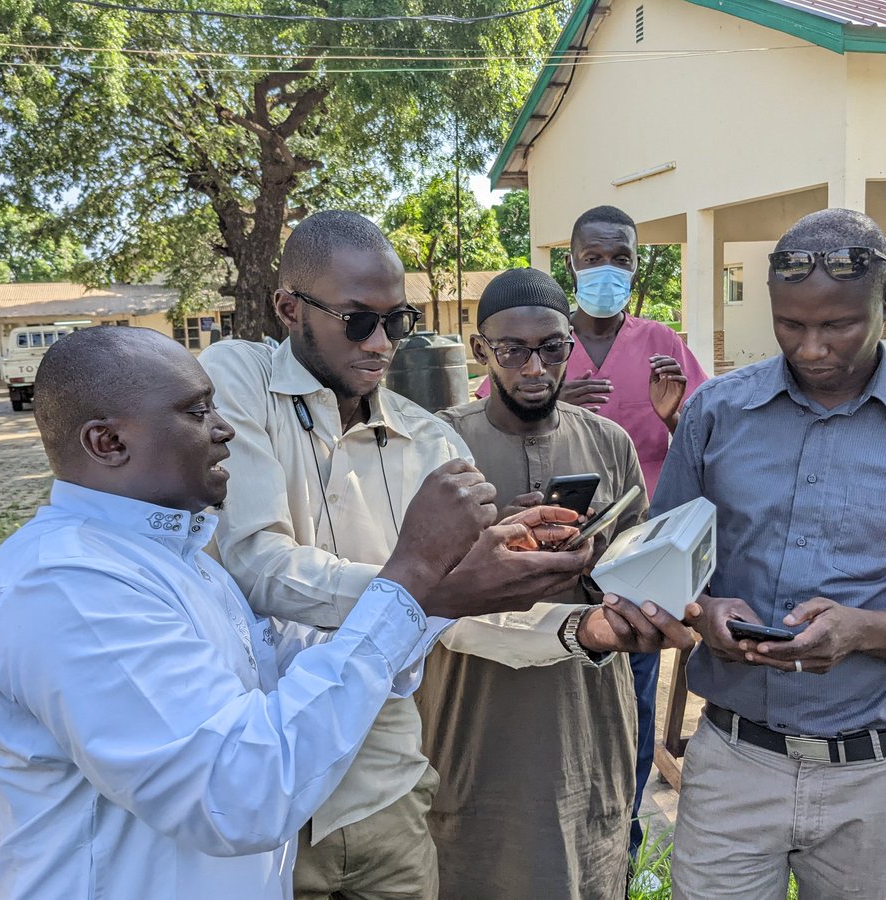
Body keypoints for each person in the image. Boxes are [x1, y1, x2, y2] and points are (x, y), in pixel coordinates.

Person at [0, 326, 562, 899]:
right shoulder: (68, 586)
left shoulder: (180, 560)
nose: (224, 430)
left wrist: (444, 590)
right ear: (108, 442)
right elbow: (239, 793)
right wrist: (410, 570)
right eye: (196, 413)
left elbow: (289, 673)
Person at [200, 212, 600, 900]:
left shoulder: (431, 444)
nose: (382, 344)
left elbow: (461, 615)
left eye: (399, 321)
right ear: (290, 308)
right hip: (263, 790)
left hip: (383, 782)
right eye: (359, 321)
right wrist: (418, 587)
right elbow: (255, 564)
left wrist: (579, 629)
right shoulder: (237, 381)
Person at [656, 209, 886, 899]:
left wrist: (861, 631)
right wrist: (703, 613)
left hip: (873, 780)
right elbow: (663, 571)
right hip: (732, 764)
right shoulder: (713, 415)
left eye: (839, 324)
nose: (812, 347)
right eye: (791, 324)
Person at [418, 267, 696, 900]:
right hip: (472, 713)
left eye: (551, 348)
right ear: (482, 351)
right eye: (512, 350)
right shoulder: (436, 443)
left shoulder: (608, 441)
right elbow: (413, 586)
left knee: (587, 862)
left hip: (586, 713)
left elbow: (639, 574)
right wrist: (493, 543)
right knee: (470, 861)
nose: (534, 367)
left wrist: (591, 559)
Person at [477, 205, 708, 859]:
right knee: (536, 703)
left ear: (636, 266)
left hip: (629, 567)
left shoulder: (662, 346)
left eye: (622, 259)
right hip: (535, 566)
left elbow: (707, 442)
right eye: (594, 257)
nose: (607, 270)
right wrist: (552, 397)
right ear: (570, 260)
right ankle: (531, 839)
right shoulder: (538, 340)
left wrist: (674, 416)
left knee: (626, 707)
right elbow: (484, 413)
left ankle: (620, 837)